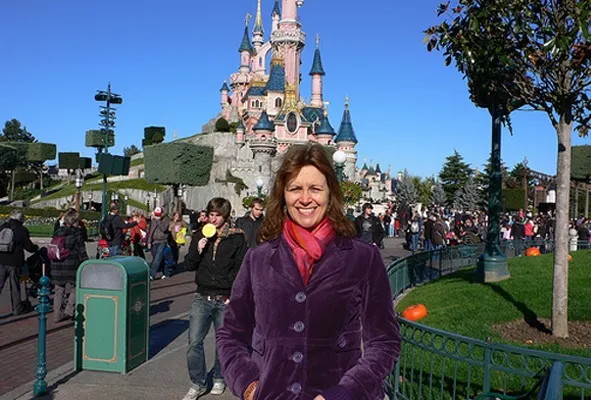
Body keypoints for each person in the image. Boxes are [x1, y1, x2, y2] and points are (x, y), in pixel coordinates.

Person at [217, 143, 400, 400]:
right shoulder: (258, 259)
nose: (305, 199)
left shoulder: (362, 258)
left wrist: (345, 393)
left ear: (330, 194)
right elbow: (231, 334)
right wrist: (248, 385)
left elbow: (384, 342)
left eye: (315, 188)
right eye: (295, 189)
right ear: (283, 195)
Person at [181, 197, 247, 400]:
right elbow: (189, 265)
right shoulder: (200, 234)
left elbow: (240, 269)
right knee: (194, 342)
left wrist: (233, 295)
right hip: (202, 295)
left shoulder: (236, 238)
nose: (214, 219)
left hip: (224, 297)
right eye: (211, 215)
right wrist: (198, 249)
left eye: (218, 215)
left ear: (225, 216)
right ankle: (198, 382)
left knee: (223, 342)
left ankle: (219, 377)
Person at [50, 209, 89, 323]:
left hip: (57, 264)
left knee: (59, 289)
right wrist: (85, 262)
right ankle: (69, 310)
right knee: (75, 287)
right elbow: (81, 252)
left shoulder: (58, 231)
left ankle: (57, 315)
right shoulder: (76, 234)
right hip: (71, 264)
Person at [0, 210, 39, 315]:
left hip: (1, 260)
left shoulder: (3, 227)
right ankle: (17, 308)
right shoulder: (22, 230)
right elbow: (29, 247)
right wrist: (35, 248)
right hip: (15, 261)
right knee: (15, 287)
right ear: (20, 219)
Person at [147, 207, 171, 280]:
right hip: (154, 241)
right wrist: (149, 241)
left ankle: (151, 275)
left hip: (162, 241)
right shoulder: (153, 219)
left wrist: (158, 220)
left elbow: (164, 228)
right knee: (158, 258)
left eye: (159, 214)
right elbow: (151, 230)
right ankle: (166, 273)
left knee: (157, 259)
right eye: (156, 214)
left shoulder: (166, 219)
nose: (157, 215)